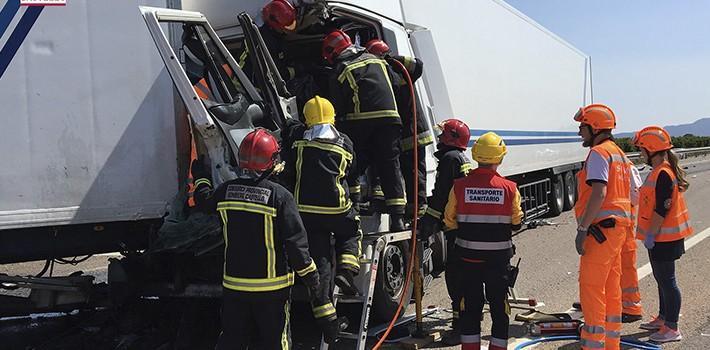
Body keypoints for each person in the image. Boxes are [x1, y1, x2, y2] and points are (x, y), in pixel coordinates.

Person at [193, 128, 321, 349]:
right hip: (271, 290)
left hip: (235, 287)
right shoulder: (280, 197)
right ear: (271, 161)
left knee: (232, 340)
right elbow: (295, 244)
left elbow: (204, 200)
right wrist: (312, 278)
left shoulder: (225, 192)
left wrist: (201, 177)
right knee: (275, 343)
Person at [280, 96, 360, 342]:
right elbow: (352, 172)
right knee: (350, 231)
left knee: (320, 265)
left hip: (305, 214)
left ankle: (328, 323)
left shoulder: (298, 142)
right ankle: (347, 270)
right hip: (336, 211)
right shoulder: (344, 143)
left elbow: (289, 163)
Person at [441, 132, 523, 350]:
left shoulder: (460, 186)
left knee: (470, 307)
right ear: (500, 157)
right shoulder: (510, 188)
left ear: (476, 155)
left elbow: (449, 220)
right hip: (498, 261)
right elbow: (517, 221)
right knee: (499, 307)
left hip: (468, 260)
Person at [322, 30, 407, 231]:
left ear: (333, 52)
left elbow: (337, 106)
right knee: (390, 165)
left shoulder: (341, 68)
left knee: (354, 162)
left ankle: (356, 204)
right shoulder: (377, 60)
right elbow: (396, 83)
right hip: (391, 120)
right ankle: (398, 218)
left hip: (361, 121)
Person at [573, 103, 632, 350]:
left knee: (592, 288)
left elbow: (599, 192)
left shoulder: (598, 154)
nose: (580, 133)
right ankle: (611, 344)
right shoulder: (619, 153)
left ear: (594, 127)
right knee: (611, 289)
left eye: (582, 128)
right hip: (616, 230)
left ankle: (594, 345)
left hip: (601, 231)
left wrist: (582, 228)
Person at [633, 126, 692, 343]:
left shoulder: (664, 174)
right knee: (661, 279)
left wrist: (651, 234)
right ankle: (663, 317)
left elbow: (662, 208)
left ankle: (672, 328)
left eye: (642, 150)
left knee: (668, 281)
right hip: (659, 237)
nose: (641, 154)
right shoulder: (660, 171)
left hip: (664, 238)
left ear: (652, 149)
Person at [364, 39, 434, 217]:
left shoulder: (399, 69)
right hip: (398, 131)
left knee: (414, 171)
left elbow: (418, 65)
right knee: (393, 167)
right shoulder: (384, 73)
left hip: (413, 131)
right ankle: (394, 202)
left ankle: (418, 206)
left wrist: (390, 58)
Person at [418, 119, 473, 345]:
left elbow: (442, 196)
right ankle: (469, 317)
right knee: (466, 276)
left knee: (455, 277)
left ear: (451, 137)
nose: (439, 138)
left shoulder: (450, 159)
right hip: (465, 225)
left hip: (456, 227)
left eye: (443, 134)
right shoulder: (461, 159)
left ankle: (461, 328)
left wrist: (428, 221)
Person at [621, 159, 644, 322]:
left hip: (624, 226)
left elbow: (636, 196)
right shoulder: (623, 165)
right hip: (618, 225)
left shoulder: (626, 167)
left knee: (626, 267)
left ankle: (631, 307)